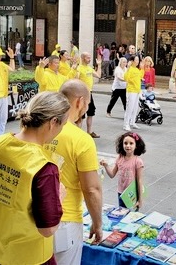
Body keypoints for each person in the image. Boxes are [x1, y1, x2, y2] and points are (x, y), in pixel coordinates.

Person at [0, 91, 70, 265]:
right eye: (63, 124)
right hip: (27, 257)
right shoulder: (44, 167)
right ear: (53, 122)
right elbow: (47, 229)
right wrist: (60, 198)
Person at [44, 80, 103, 265]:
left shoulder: (39, 127)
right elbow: (91, 189)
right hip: (65, 220)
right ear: (79, 102)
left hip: (35, 215)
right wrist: (97, 223)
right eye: (87, 103)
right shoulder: (81, 139)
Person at [100, 132, 146, 210]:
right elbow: (112, 175)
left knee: (131, 216)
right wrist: (106, 165)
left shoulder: (138, 161)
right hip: (121, 193)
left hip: (132, 194)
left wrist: (140, 199)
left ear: (136, 145)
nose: (128, 146)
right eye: (125, 143)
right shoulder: (119, 158)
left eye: (131, 143)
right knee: (122, 213)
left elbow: (139, 180)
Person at [75, 52, 102, 138]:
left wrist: (99, 65)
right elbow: (75, 79)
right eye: (88, 58)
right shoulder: (79, 68)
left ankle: (89, 132)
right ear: (83, 58)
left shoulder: (90, 68)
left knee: (91, 112)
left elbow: (98, 75)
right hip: (81, 94)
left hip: (89, 93)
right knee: (81, 115)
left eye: (90, 57)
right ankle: (78, 134)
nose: (89, 59)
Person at [123, 55, 144, 131]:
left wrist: (142, 68)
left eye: (138, 60)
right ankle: (126, 124)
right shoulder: (130, 69)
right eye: (136, 60)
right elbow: (126, 78)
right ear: (132, 61)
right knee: (130, 108)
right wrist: (128, 68)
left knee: (135, 107)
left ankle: (132, 122)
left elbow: (141, 76)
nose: (137, 61)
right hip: (131, 91)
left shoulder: (137, 69)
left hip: (137, 90)